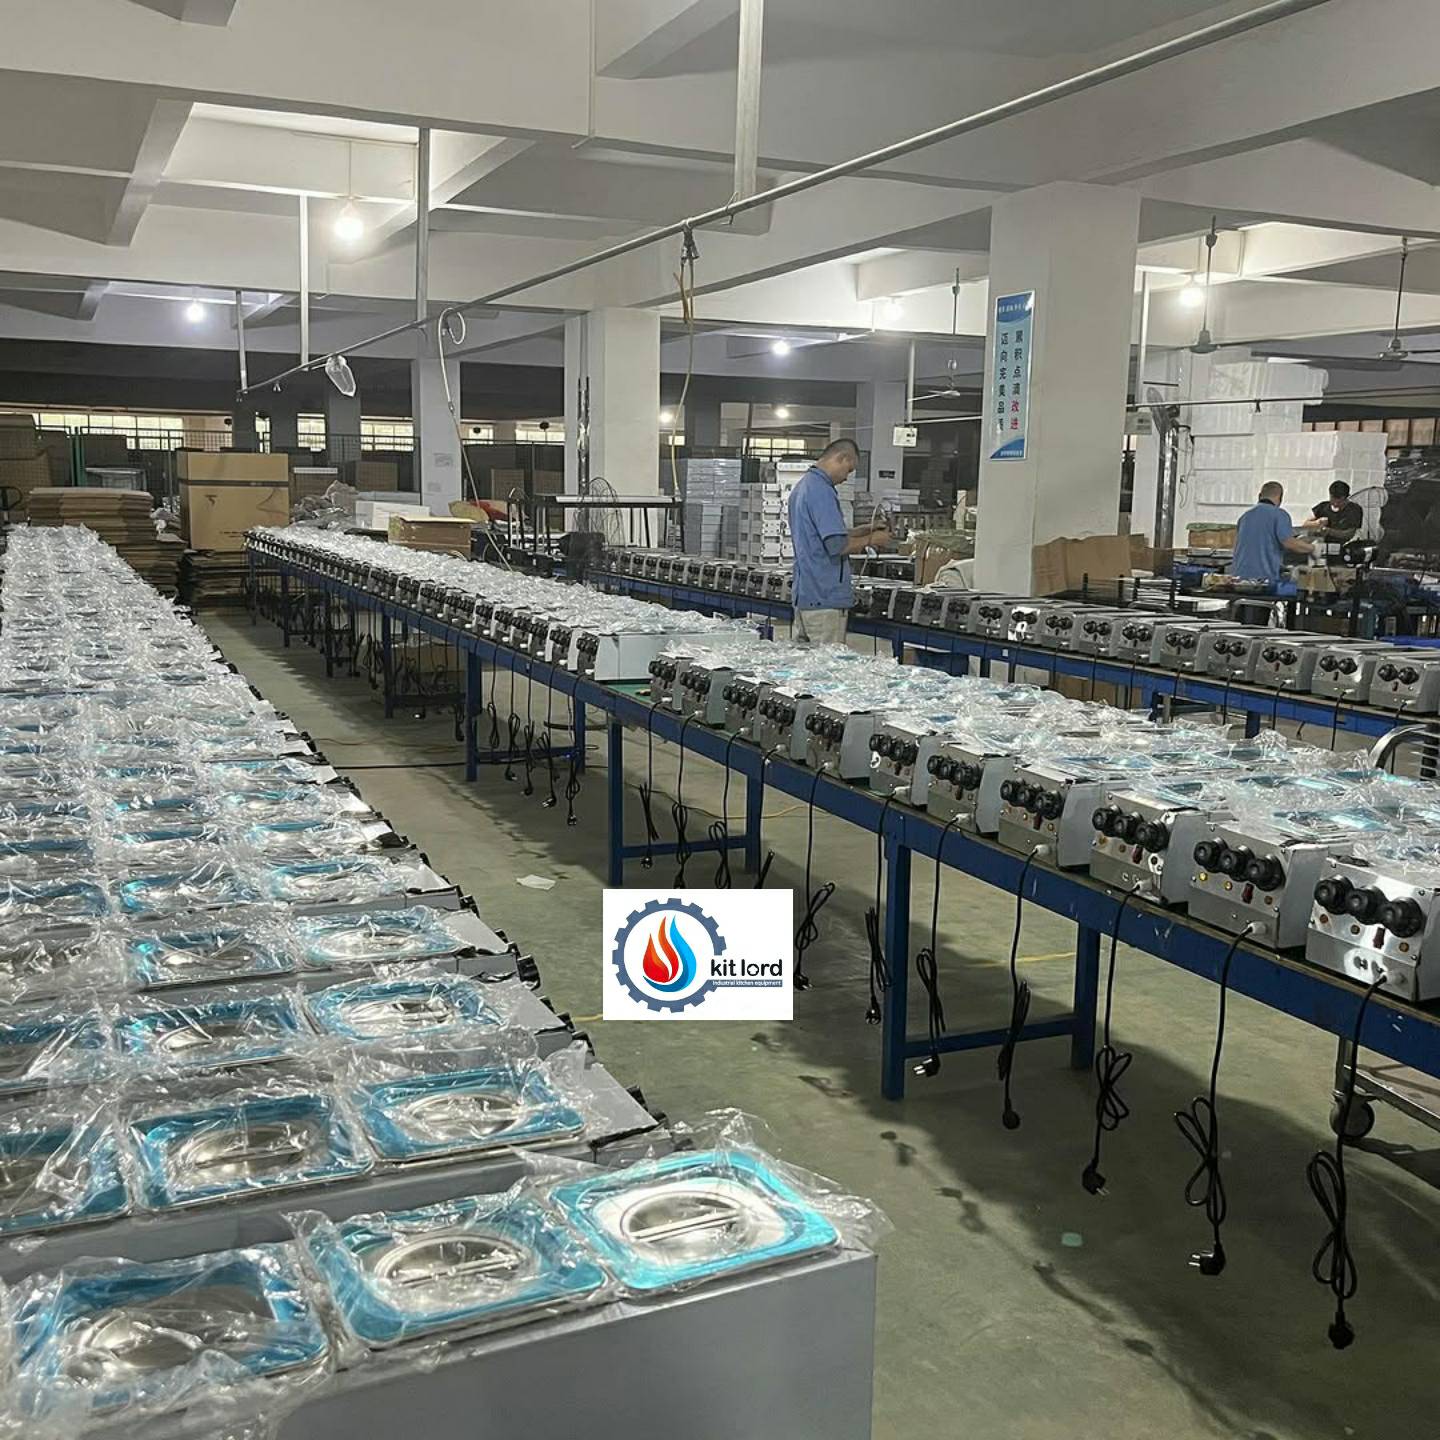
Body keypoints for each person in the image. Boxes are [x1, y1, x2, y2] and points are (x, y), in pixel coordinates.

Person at [787, 438, 891, 645]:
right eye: (848, 470)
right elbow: (837, 546)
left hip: (806, 595)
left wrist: (862, 530)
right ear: (842, 458)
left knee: (805, 662)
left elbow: (820, 536)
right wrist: (873, 539)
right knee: (826, 663)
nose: (846, 478)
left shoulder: (804, 486)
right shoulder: (822, 491)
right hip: (824, 598)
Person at [1230, 481, 1313, 583]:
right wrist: (1313, 548)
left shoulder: (1244, 517)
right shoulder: (1279, 515)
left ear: (1259, 496)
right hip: (1263, 579)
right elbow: (1289, 542)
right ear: (1280, 498)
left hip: (1238, 577)